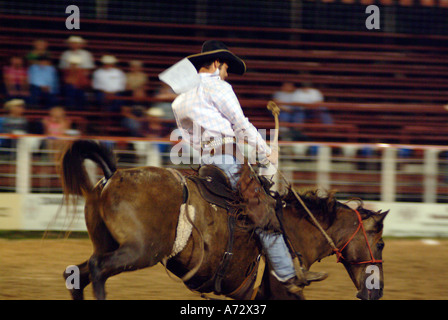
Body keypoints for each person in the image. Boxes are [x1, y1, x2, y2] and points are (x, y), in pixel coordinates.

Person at [170, 40, 327, 296]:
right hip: (228, 159)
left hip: (205, 164)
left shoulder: (180, 99)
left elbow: (186, 135)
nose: (228, 73)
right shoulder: (220, 88)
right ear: (217, 63)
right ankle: (287, 273)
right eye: (227, 67)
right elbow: (240, 125)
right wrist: (267, 152)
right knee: (262, 210)